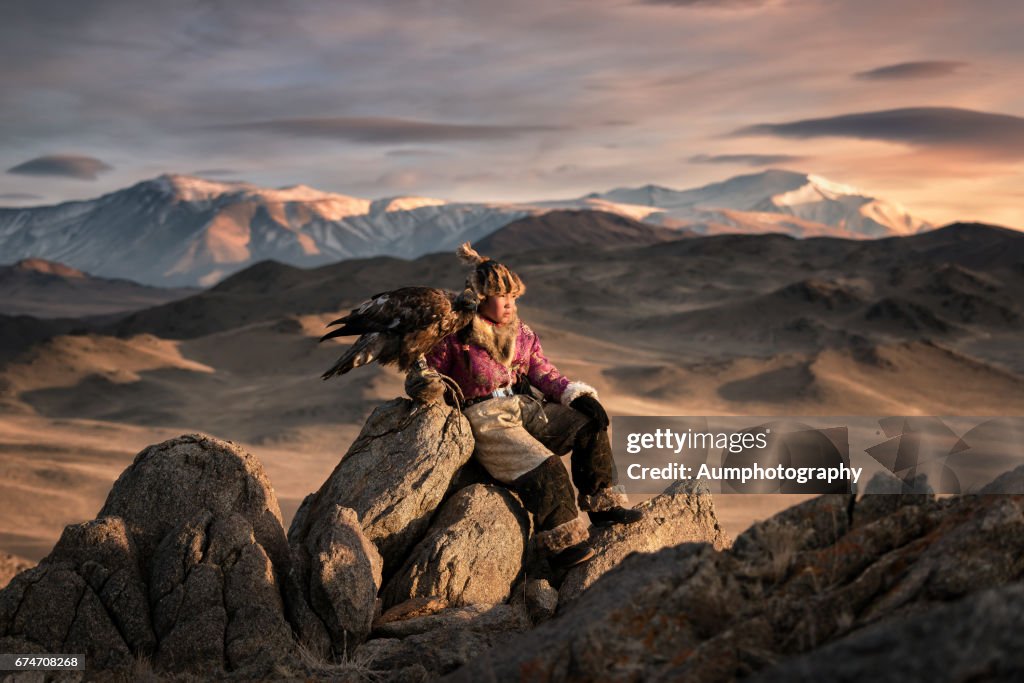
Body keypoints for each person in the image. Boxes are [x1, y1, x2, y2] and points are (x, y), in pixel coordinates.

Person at [417, 242, 642, 569]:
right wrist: (424, 388)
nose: (509, 304)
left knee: (588, 425)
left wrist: (576, 395)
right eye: (500, 297)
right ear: (481, 297)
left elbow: (542, 371)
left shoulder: (521, 333)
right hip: (486, 419)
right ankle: (563, 545)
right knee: (547, 468)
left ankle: (604, 505)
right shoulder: (455, 336)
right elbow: (425, 369)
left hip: (523, 405)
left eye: (513, 297)